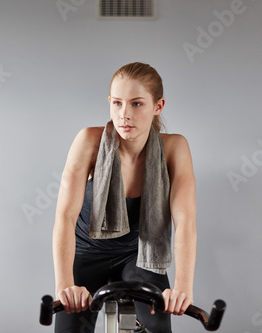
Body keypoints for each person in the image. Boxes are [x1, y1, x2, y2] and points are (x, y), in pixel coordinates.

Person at [52, 62, 196, 333]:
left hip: (139, 253)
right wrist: (64, 285)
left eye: (137, 104)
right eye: (117, 103)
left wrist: (183, 289)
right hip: (87, 253)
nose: (124, 114)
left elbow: (185, 222)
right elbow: (65, 217)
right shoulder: (89, 141)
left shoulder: (175, 147)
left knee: (157, 325)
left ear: (158, 106)